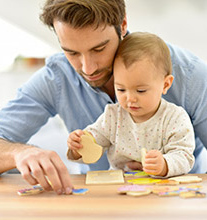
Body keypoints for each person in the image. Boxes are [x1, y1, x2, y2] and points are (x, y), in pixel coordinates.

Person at [0, 0, 206, 194]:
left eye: (99, 49)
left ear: (122, 25)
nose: (87, 68)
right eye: (71, 52)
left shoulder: (189, 74)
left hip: (175, 203)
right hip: (99, 201)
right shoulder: (57, 78)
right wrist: (20, 153)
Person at [67, 32, 195, 178]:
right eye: (121, 89)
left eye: (140, 91)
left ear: (165, 84)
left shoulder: (175, 117)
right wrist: (78, 146)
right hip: (119, 188)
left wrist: (165, 164)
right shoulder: (113, 115)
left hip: (160, 190)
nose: (130, 99)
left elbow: (184, 156)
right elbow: (92, 143)